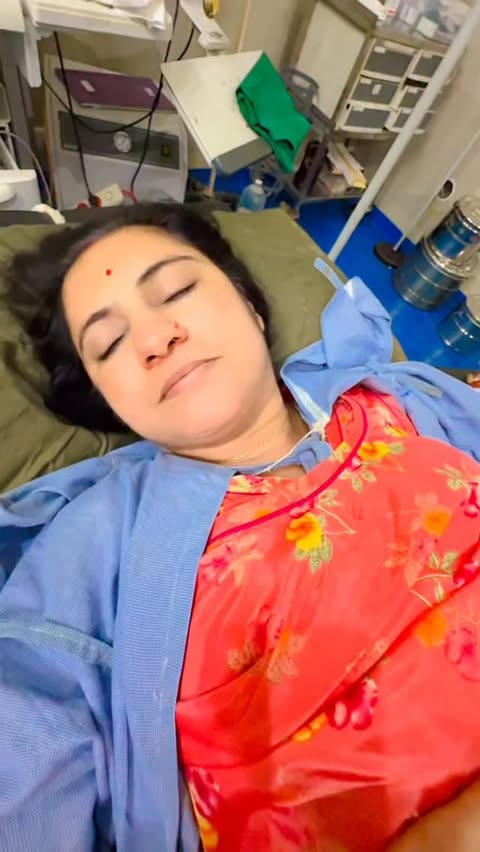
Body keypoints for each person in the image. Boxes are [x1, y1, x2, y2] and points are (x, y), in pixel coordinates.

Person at [1, 203, 480, 852]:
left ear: (251, 306)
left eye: (176, 290)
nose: (155, 338)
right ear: (107, 400)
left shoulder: (405, 397)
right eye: (108, 345)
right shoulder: (95, 544)